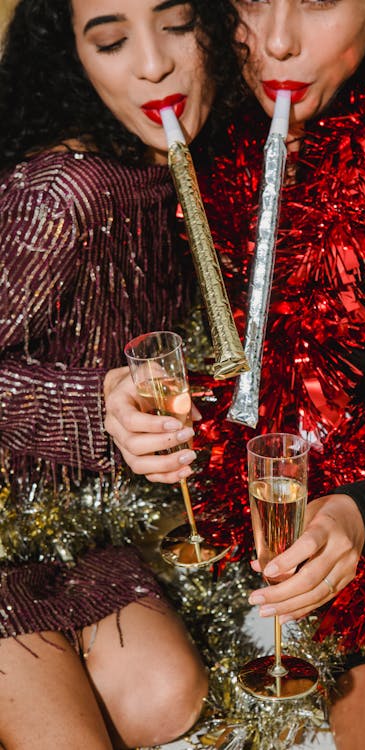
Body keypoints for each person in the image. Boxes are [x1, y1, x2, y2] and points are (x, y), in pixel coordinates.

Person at [105, 0, 365, 748]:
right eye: (254, 0)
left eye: (318, 1)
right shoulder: (187, 140)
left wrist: (360, 515)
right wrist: (113, 397)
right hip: (220, 536)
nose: (278, 43)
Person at [0, 0, 241, 748]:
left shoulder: (177, 167)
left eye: (175, 26)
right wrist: (90, 404)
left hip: (82, 529)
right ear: (71, 57)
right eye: (110, 40)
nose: (152, 63)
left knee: (165, 699)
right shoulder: (63, 196)